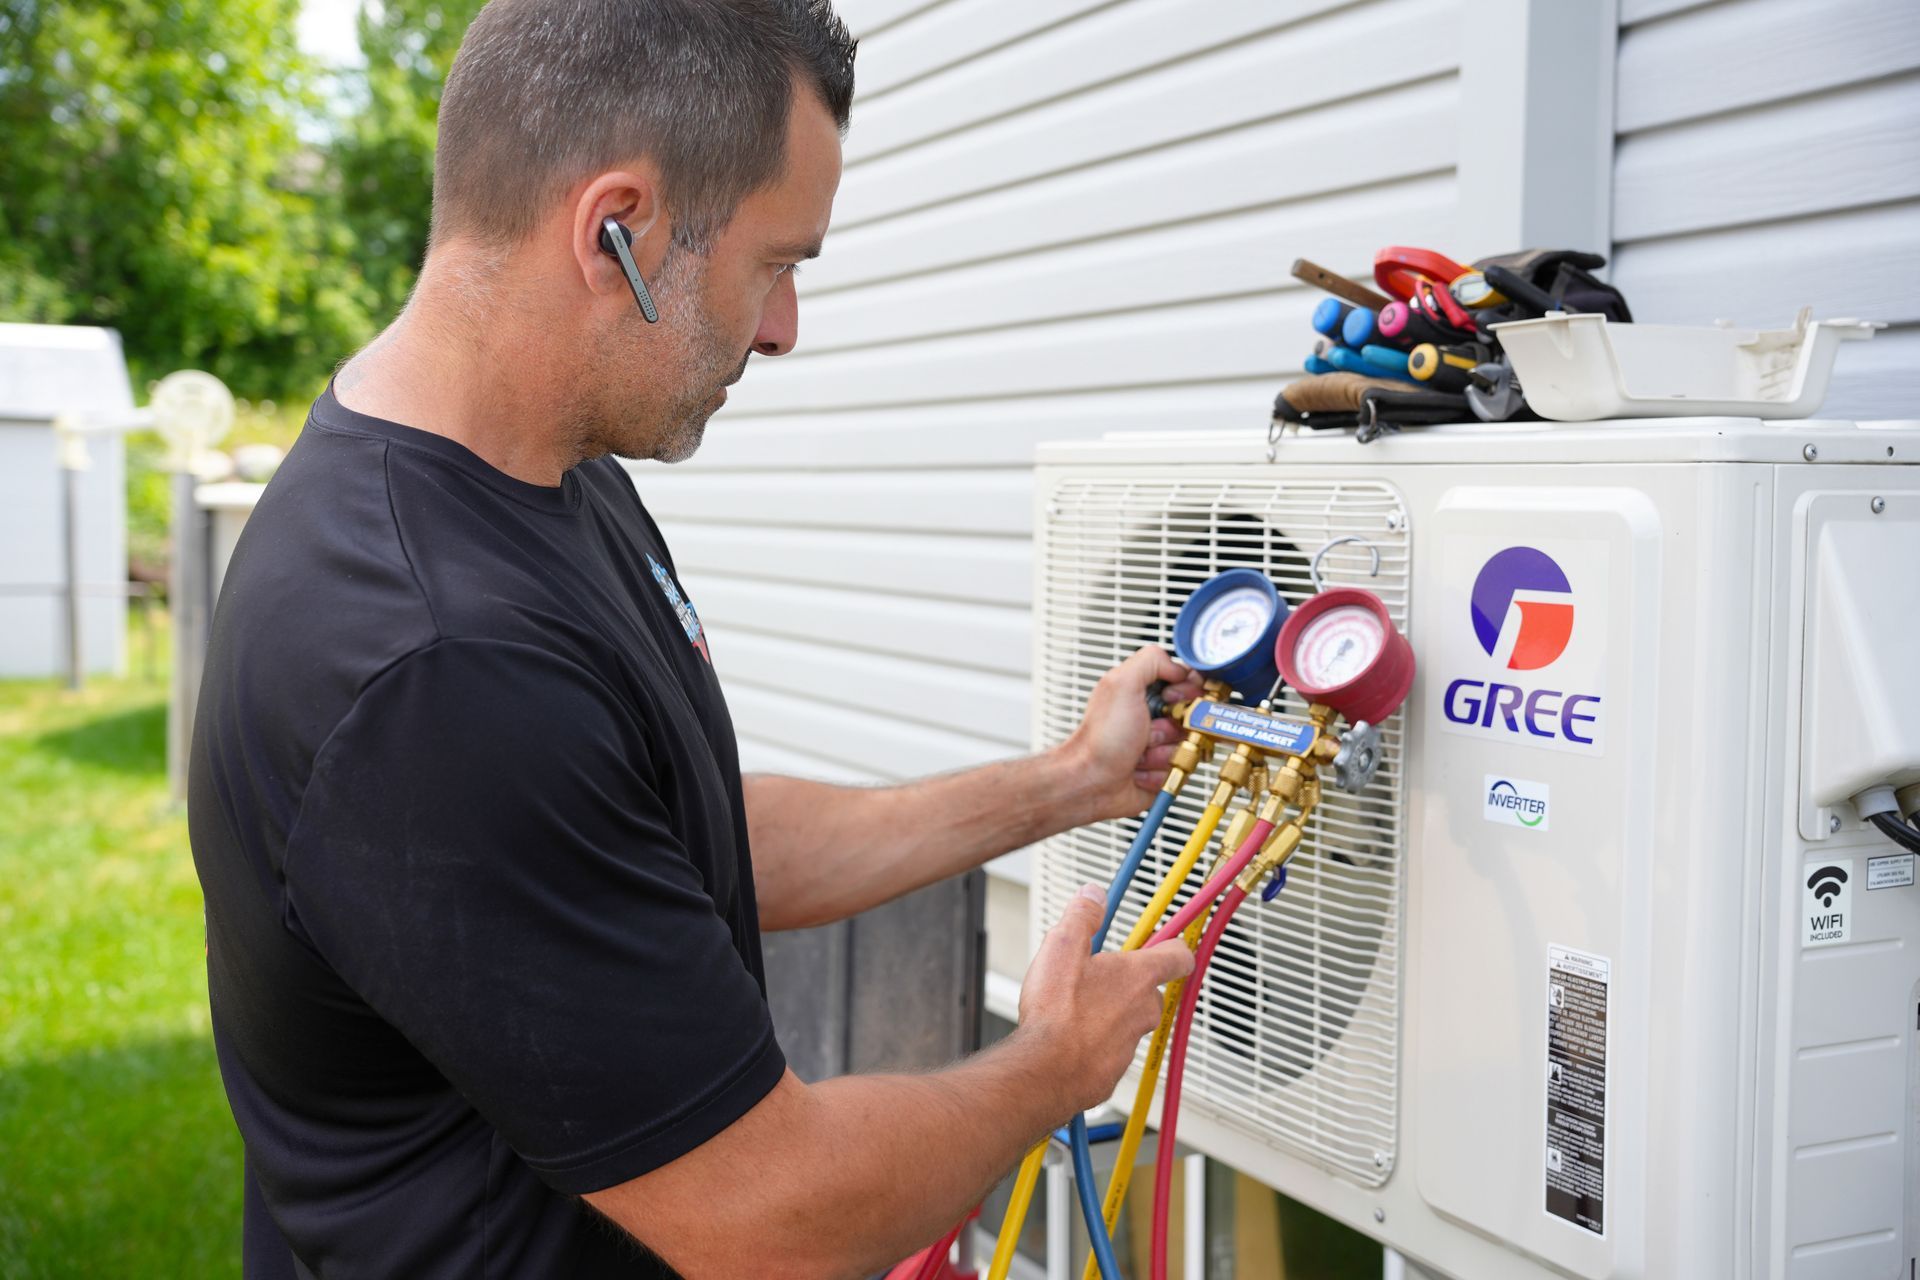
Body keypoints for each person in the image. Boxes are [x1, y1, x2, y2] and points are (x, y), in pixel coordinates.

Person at [188, 1, 1198, 1275]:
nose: (781, 328)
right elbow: (772, 1216)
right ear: (619, 229)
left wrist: (1071, 783)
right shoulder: (435, 662)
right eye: (779, 263)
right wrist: (1055, 1062)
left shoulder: (543, 479)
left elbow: (670, 843)